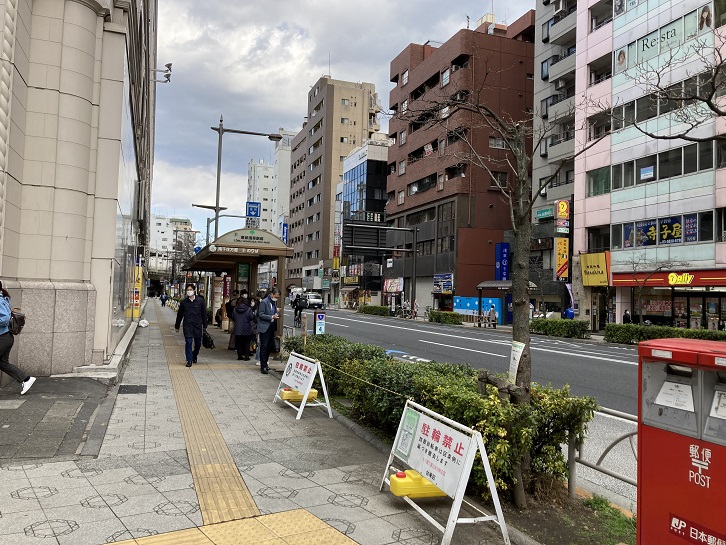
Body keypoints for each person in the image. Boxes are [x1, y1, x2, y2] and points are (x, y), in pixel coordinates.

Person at [0, 281, 36, 395]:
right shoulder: (4, 299)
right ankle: (26, 379)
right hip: (6, 337)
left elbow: (5, 319)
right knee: (2, 363)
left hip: (2, 337)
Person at [175, 283, 208, 367]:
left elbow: (204, 314)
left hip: (197, 326)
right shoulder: (184, 302)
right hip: (187, 325)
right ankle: (189, 360)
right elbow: (180, 315)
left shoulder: (200, 301)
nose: (189, 291)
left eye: (190, 290)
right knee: (188, 342)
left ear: (194, 290)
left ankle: (194, 354)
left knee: (198, 344)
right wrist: (177, 325)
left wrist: (205, 325)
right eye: (188, 290)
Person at [257, 287, 280, 374]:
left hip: (271, 326)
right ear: (271, 294)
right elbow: (260, 314)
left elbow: (272, 312)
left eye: (277, 297)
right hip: (264, 327)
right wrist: (271, 317)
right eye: (276, 297)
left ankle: (266, 364)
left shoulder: (273, 303)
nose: (276, 298)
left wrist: (275, 314)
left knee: (269, 347)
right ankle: (263, 366)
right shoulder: (264, 302)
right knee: (264, 346)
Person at [233, 290, 254, 361]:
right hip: (246, 328)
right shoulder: (249, 309)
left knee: (239, 342)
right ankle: (246, 356)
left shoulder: (235, 309)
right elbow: (251, 317)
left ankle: (239, 356)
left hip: (238, 328)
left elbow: (233, 317)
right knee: (247, 342)